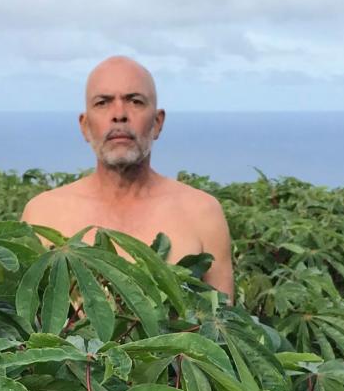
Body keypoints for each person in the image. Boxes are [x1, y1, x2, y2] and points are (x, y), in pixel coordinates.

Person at [21, 55, 234, 300]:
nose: (119, 114)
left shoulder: (203, 214)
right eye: (103, 102)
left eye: (135, 101)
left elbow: (221, 317)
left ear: (157, 122)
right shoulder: (42, 214)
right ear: (85, 126)